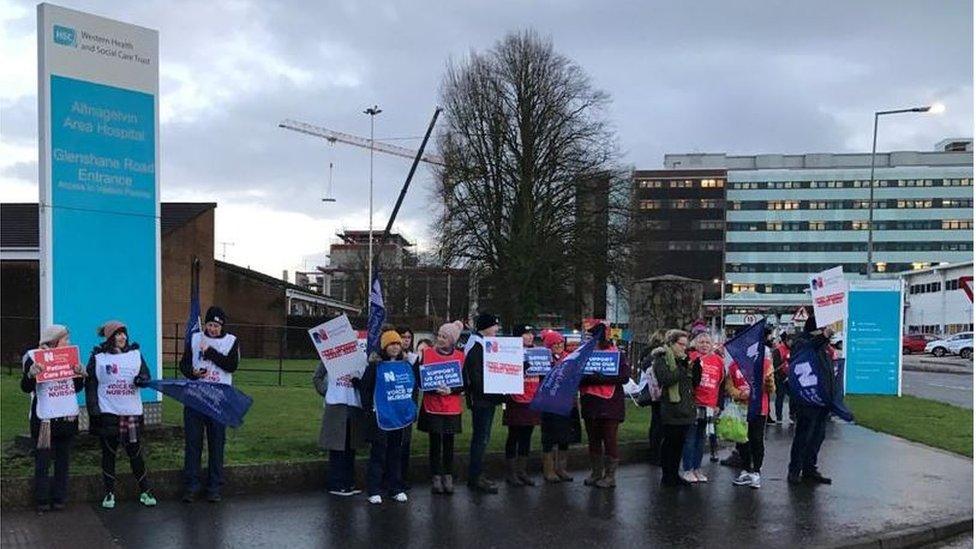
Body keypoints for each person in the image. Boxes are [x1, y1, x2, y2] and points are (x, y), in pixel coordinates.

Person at [85, 321, 156, 509]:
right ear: (110, 337)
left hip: (131, 413)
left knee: (136, 454)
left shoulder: (135, 355)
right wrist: (94, 410)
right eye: (117, 334)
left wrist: (142, 380)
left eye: (124, 333)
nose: (122, 337)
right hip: (108, 413)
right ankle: (109, 493)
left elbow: (146, 376)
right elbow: (91, 385)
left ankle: (145, 491)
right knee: (109, 454)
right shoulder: (98, 358)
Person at [21, 325, 85, 512]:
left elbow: (76, 387)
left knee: (63, 462)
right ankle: (41, 499)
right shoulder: (33, 357)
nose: (69, 342)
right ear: (54, 341)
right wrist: (31, 374)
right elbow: (26, 387)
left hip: (66, 418)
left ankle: (59, 498)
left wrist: (79, 374)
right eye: (66, 339)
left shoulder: (70, 358)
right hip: (45, 421)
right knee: (43, 462)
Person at [179, 306, 240, 503]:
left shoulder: (231, 341)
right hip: (196, 397)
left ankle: (214, 486)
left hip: (218, 399)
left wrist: (210, 352)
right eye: (210, 324)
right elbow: (184, 364)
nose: (212, 329)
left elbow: (231, 365)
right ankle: (191, 485)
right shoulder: (195, 338)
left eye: (216, 326)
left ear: (222, 326)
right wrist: (192, 373)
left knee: (216, 444)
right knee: (193, 443)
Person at [353, 330, 412, 504]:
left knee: (395, 453)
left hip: (398, 417)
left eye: (397, 344)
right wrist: (368, 410)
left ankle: (395, 487)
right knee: (378, 453)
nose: (394, 347)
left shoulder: (405, 365)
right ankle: (374, 489)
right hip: (379, 416)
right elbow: (365, 389)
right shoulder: (375, 366)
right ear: (384, 347)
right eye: (391, 344)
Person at [579, 326, 631, 489]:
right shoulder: (583, 353)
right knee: (593, 439)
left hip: (610, 404)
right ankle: (596, 473)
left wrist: (603, 378)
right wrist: (589, 377)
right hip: (590, 402)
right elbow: (577, 376)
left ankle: (610, 476)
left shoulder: (617, 354)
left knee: (609, 439)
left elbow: (624, 377)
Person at [417, 321, 466, 495]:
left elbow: (466, 382)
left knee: (449, 443)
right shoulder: (426, 354)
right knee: (435, 443)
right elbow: (419, 378)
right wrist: (433, 389)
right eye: (439, 335)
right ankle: (436, 476)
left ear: (452, 340)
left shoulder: (460, 357)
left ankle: (448, 475)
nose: (440, 339)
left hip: (451, 406)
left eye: (444, 337)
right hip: (433, 405)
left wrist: (452, 390)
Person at [788, 312, 835, 486]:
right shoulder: (803, 343)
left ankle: (809, 468)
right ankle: (794, 469)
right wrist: (823, 337)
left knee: (818, 436)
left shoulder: (823, 349)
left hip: (822, 401)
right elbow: (808, 348)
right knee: (803, 436)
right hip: (807, 400)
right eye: (822, 329)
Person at [462, 312, 505, 493]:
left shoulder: (480, 344)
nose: (497, 329)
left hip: (486, 398)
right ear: (486, 327)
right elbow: (477, 377)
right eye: (495, 325)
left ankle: (478, 475)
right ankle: (475, 477)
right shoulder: (476, 347)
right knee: (481, 438)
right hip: (482, 399)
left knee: (482, 438)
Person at [312, 352, 366, 497]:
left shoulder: (360, 358)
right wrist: (327, 391)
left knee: (351, 446)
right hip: (337, 405)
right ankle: (336, 484)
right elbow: (317, 377)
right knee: (337, 447)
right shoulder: (329, 356)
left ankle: (349, 483)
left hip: (354, 405)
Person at [726, 340, 775, 489]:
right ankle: (745, 469)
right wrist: (741, 394)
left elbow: (771, 389)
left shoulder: (765, 364)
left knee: (756, 439)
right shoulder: (734, 365)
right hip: (741, 409)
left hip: (759, 408)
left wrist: (768, 382)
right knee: (742, 440)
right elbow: (729, 387)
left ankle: (756, 471)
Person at [652, 329, 697, 487]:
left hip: (686, 407)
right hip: (671, 408)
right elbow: (666, 379)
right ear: (671, 343)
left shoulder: (685, 359)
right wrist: (682, 368)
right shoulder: (662, 358)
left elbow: (693, 383)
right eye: (680, 344)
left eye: (686, 345)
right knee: (670, 443)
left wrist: (694, 368)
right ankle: (667, 475)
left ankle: (674, 474)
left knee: (679, 444)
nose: (683, 348)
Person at [680, 332, 723, 483]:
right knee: (690, 437)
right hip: (694, 403)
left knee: (701, 438)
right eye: (701, 342)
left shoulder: (718, 361)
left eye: (707, 342)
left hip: (710, 404)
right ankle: (688, 469)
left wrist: (718, 404)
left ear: (712, 345)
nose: (704, 345)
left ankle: (697, 468)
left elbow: (721, 384)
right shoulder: (692, 358)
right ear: (696, 344)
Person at [503, 324, 542, 487]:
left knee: (527, 435)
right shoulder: (511, 352)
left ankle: (522, 471)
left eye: (531, 334)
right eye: (525, 334)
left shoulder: (539, 352)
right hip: (515, 398)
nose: (529, 337)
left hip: (532, 398)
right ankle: (511, 473)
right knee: (514, 435)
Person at [539, 330, 579, 483]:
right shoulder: (543, 359)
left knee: (565, 437)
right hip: (549, 403)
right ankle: (548, 470)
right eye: (555, 343)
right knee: (549, 438)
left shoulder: (569, 358)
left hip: (567, 402)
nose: (558, 345)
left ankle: (561, 468)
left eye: (560, 342)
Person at [397, 326, 418, 490]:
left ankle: (403, 477)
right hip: (391, 407)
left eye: (408, 337)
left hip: (407, 407)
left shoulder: (414, 360)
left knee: (405, 444)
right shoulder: (387, 359)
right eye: (402, 336)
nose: (405, 340)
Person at [644, 329, 667, 466]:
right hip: (660, 392)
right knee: (660, 424)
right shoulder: (660, 353)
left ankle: (654, 452)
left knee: (655, 423)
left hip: (652, 392)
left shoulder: (646, 352)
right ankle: (657, 454)